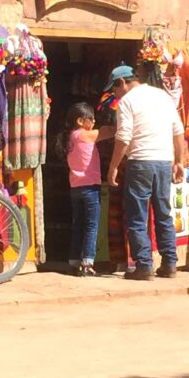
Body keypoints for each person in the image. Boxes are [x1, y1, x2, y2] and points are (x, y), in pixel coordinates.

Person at [105, 64, 185, 281]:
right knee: (163, 214)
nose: (114, 94)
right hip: (163, 162)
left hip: (140, 162)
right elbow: (178, 131)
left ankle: (144, 266)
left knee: (137, 216)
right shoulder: (162, 96)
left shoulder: (128, 101)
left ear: (122, 83)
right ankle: (169, 264)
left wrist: (113, 167)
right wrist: (179, 161)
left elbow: (123, 138)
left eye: (114, 89)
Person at [56, 102, 114, 277]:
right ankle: (87, 263)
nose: (94, 121)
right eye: (91, 119)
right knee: (91, 225)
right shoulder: (84, 136)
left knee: (79, 225)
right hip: (90, 187)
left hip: (76, 187)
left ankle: (74, 262)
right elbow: (109, 132)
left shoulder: (70, 137)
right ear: (80, 121)